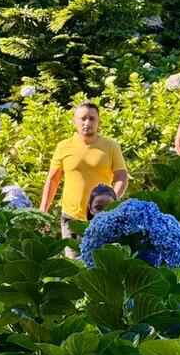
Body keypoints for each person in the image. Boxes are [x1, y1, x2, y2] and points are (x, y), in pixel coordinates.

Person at [40, 102, 128, 257]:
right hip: (71, 219)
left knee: (101, 264)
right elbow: (53, 180)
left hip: (101, 218)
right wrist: (43, 210)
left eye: (92, 118)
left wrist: (110, 205)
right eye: (83, 118)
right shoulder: (64, 146)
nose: (87, 122)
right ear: (75, 121)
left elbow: (121, 178)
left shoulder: (111, 146)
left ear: (99, 122)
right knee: (74, 266)